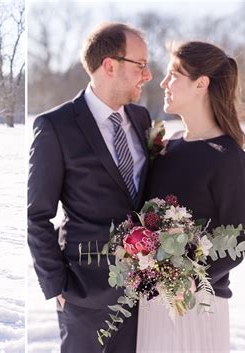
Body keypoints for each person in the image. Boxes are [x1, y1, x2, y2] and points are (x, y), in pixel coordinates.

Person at [28, 22, 153, 353]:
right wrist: (58, 286)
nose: (148, 75)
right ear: (110, 66)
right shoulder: (56, 126)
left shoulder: (142, 120)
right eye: (141, 64)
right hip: (84, 295)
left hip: (144, 294)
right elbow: (37, 215)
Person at [137, 41, 245, 352]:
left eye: (174, 74)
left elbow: (242, 237)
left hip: (198, 303)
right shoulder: (166, 148)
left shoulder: (228, 157)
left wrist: (189, 278)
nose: (163, 82)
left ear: (201, 84)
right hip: (152, 302)